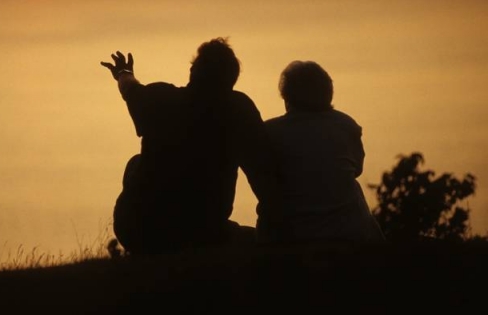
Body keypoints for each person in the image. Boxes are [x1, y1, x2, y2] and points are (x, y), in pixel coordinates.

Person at [100, 38, 272, 256]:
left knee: (136, 162)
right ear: (231, 79)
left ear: (193, 71)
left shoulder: (159, 98)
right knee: (249, 239)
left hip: (136, 230)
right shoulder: (239, 108)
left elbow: (130, 89)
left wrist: (123, 72)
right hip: (203, 231)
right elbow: (260, 172)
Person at [256, 60, 385, 245]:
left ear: (287, 97)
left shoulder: (269, 132)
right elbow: (357, 169)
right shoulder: (346, 125)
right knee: (353, 187)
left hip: (292, 236)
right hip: (348, 233)